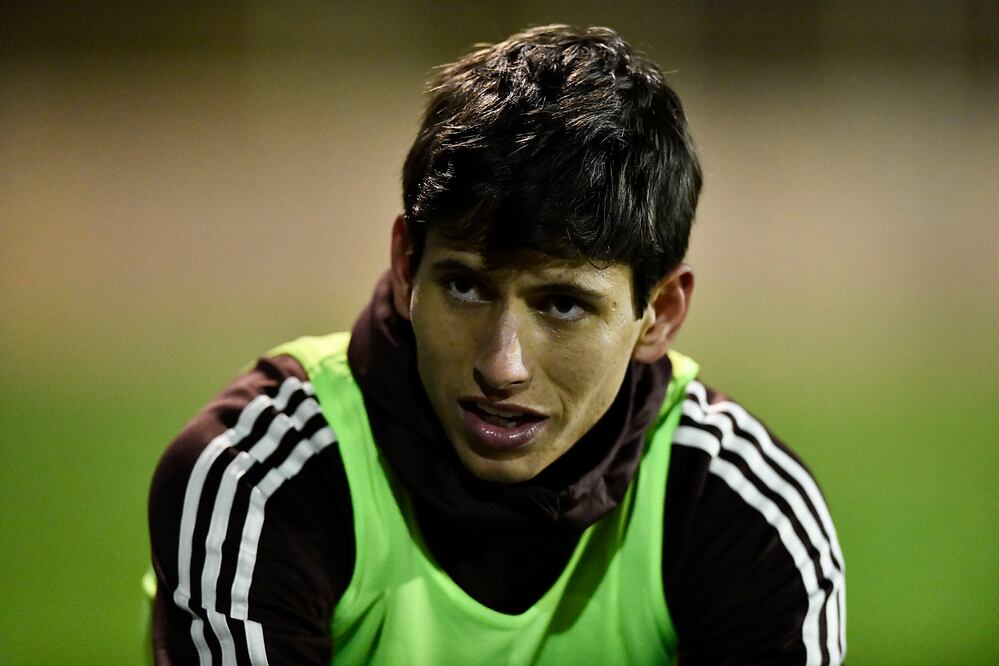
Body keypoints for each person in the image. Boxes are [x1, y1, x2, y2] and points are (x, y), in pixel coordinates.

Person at [147, 24, 845, 665]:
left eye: (563, 304)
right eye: (464, 287)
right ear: (404, 264)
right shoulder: (261, 477)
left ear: (658, 313)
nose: (500, 365)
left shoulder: (741, 515)